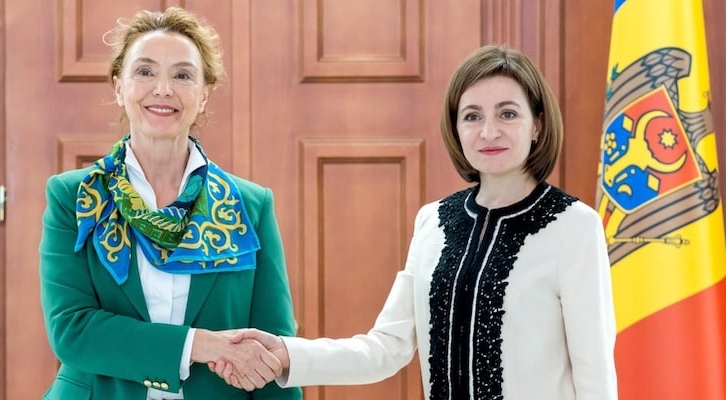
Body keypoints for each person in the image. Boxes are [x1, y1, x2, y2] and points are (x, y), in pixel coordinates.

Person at [213, 44, 618, 400]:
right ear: (456, 128)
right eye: (472, 116)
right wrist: (289, 354)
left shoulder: (573, 226)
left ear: (538, 126)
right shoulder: (434, 222)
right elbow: (385, 348)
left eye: (507, 113)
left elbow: (595, 375)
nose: (488, 131)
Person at [38, 7, 301, 400]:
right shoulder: (73, 198)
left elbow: (271, 349)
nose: (163, 89)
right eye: (144, 71)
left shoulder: (250, 206)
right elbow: (72, 330)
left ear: (204, 92)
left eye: (182, 75)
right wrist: (200, 344)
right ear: (118, 86)